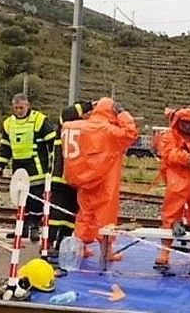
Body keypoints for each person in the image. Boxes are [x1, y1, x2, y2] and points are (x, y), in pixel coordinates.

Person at [62, 97, 137, 260]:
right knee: (106, 215)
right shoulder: (108, 130)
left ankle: (81, 247)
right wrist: (123, 114)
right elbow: (130, 133)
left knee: (85, 213)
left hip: (84, 178)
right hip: (104, 179)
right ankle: (107, 252)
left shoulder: (75, 126)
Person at [154, 107, 190, 267]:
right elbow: (169, 154)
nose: (188, 127)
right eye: (185, 124)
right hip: (177, 180)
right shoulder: (169, 135)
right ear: (178, 122)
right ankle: (164, 251)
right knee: (171, 217)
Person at [0, 94, 56, 242]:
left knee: (35, 199)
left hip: (36, 167)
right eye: (16, 108)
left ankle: (34, 227)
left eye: (21, 107)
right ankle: (21, 228)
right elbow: (5, 146)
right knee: (21, 198)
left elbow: (52, 143)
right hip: (19, 167)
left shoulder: (39, 120)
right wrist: (1, 164)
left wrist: (54, 165)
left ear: (28, 105)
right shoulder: (8, 123)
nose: (18, 110)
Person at [48, 100, 95, 254]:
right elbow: (67, 112)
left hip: (76, 180)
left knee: (71, 216)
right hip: (60, 176)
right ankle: (48, 244)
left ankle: (62, 245)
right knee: (56, 214)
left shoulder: (84, 129)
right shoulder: (65, 125)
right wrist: (90, 105)